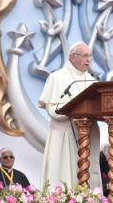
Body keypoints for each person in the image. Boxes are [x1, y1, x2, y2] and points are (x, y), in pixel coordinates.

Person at [39, 42, 101, 191]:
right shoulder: (57, 77)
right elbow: (53, 110)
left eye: (90, 56)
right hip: (64, 137)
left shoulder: (92, 81)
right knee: (64, 176)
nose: (89, 60)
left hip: (88, 136)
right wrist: (74, 107)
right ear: (73, 57)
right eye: (85, 56)